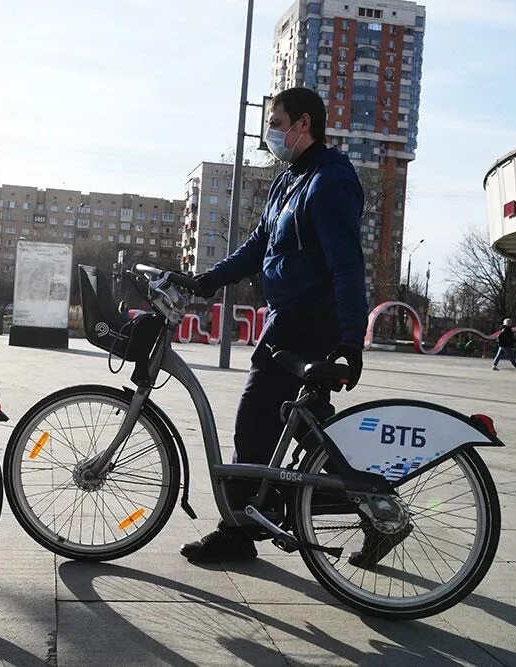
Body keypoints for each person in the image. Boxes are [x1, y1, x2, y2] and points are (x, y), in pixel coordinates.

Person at [180, 87, 401, 568]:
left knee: (255, 417)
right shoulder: (290, 181)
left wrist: (349, 337)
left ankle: (239, 528)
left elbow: (346, 265)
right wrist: (209, 280)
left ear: (304, 124)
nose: (271, 132)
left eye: (276, 123)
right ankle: (372, 507)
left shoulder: (329, 181)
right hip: (288, 318)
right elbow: (260, 245)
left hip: (310, 322)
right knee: (303, 425)